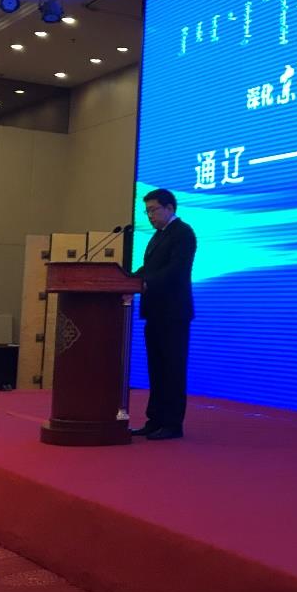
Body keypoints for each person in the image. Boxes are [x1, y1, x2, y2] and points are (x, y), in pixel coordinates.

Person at [131, 188, 197, 440]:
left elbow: (177, 270)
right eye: (147, 211)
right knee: (156, 368)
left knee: (172, 368)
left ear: (170, 208)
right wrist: (129, 280)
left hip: (174, 312)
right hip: (155, 312)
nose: (150, 215)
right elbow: (148, 268)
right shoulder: (158, 236)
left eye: (153, 210)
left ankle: (172, 424)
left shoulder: (183, 233)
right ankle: (155, 420)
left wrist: (146, 283)